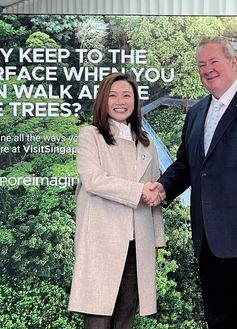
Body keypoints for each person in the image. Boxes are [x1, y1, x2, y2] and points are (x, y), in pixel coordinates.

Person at [148, 37, 237, 329]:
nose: (207, 69)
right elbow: (188, 165)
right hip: (209, 244)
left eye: (214, 61)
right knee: (221, 323)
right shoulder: (196, 112)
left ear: (233, 62)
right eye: (201, 65)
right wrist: (163, 187)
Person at [68, 72, 165, 329]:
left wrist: (156, 238)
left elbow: (153, 189)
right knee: (98, 319)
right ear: (102, 100)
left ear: (135, 101)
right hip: (101, 240)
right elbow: (93, 180)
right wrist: (140, 191)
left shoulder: (147, 143)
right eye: (112, 95)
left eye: (126, 95)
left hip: (137, 244)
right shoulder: (91, 135)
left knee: (125, 319)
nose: (120, 101)